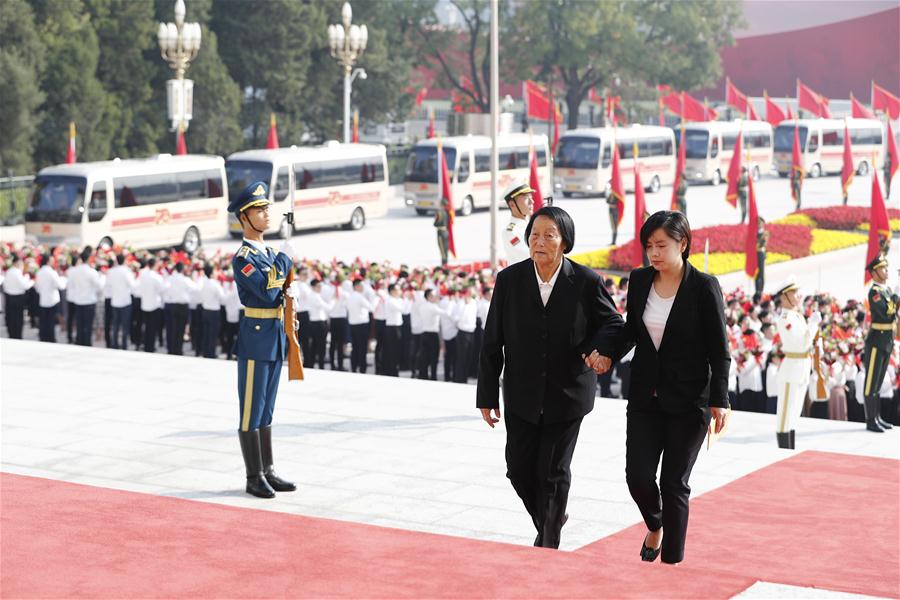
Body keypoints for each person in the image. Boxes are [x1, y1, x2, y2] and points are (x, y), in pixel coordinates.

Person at [477, 206, 624, 549]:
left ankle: (548, 543)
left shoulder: (585, 281)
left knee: (553, 474)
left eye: (549, 235)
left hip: (567, 394)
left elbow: (613, 323)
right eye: (534, 235)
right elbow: (492, 340)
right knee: (518, 469)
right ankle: (551, 518)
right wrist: (486, 395)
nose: (539, 242)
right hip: (521, 394)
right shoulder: (510, 280)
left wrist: (598, 350)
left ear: (565, 242)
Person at [611, 210, 730, 565]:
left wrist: (720, 401)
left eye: (662, 245)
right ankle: (656, 525)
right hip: (645, 396)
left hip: (690, 400)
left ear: (683, 243)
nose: (654, 253)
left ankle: (672, 563)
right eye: (649, 246)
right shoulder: (640, 279)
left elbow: (719, 349)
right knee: (638, 478)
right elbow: (632, 331)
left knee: (674, 483)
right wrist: (605, 355)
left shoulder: (703, 286)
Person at [230, 181, 297, 498]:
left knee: (267, 409)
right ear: (244, 218)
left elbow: (280, 291)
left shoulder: (269, 252)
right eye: (259, 209)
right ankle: (252, 476)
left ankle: (267, 470)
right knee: (250, 411)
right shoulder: (243, 258)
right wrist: (285, 261)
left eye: (267, 208)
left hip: (274, 338)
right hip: (255, 340)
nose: (266, 214)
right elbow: (268, 290)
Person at [772, 277, 820, 448]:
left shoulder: (797, 316)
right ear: (785, 297)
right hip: (792, 368)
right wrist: (813, 325)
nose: (799, 296)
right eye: (794, 293)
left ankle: (790, 449)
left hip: (802, 367)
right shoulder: (785, 319)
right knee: (785, 414)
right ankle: (783, 450)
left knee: (795, 412)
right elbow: (801, 344)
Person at [862, 254, 898, 433]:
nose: (886, 271)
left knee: (878, 381)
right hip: (876, 341)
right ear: (874, 272)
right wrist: (896, 297)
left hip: (886, 340)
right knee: (871, 381)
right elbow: (886, 312)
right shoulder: (874, 292)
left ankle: (877, 417)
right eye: (883, 268)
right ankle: (870, 420)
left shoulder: (886, 290)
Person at [67, 248, 103, 346]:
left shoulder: (74, 271)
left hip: (78, 301)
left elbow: (72, 285)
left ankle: (80, 342)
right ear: (89, 259)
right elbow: (99, 286)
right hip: (89, 301)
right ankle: (87, 344)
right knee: (88, 326)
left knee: (80, 325)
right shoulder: (91, 272)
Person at [104, 254, 135, 349]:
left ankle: (115, 344)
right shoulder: (127, 271)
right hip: (125, 301)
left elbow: (108, 285)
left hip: (115, 301)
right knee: (125, 326)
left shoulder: (111, 272)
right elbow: (132, 285)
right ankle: (124, 345)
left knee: (115, 325)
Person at [136, 257, 166, 352]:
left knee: (147, 327)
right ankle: (150, 346)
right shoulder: (156, 277)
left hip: (145, 304)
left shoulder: (143, 275)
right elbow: (162, 289)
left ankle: (146, 345)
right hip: (153, 305)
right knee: (152, 329)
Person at [35, 254, 67, 343]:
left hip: (43, 299)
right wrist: (64, 278)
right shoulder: (51, 272)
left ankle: (43, 337)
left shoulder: (40, 271)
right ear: (48, 261)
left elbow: (37, 287)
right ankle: (50, 338)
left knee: (43, 321)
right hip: (52, 300)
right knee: (50, 322)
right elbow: (60, 285)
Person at [502, 181, 535, 265]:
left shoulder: (531, 224)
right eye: (526, 197)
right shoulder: (510, 232)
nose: (532, 201)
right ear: (512, 204)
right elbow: (529, 256)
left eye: (531, 197)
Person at [346, 278, 374, 373]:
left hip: (353, 324)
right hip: (362, 325)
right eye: (361, 286)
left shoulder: (350, 297)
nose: (363, 288)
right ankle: (362, 368)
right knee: (362, 348)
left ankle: (354, 367)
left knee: (355, 347)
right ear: (356, 286)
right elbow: (371, 308)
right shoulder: (360, 297)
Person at [3, 256, 34, 339]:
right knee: (18, 319)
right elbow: (24, 285)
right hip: (17, 298)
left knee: (11, 318)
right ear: (16, 263)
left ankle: (12, 334)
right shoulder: (16, 272)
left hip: (9, 297)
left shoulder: (9, 271)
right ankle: (17, 336)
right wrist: (30, 279)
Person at [199, 263, 225, 359]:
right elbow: (223, 298)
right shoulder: (215, 284)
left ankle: (206, 352)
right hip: (214, 311)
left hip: (205, 310)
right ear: (211, 273)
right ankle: (211, 353)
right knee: (213, 334)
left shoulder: (203, 283)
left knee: (206, 333)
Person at [755, 217, 768, 297]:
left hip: (761, 253)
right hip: (755, 254)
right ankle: (757, 290)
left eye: (760, 223)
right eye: (758, 223)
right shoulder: (755, 233)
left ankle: (761, 290)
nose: (759, 225)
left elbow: (762, 243)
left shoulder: (764, 233)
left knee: (761, 273)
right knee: (756, 273)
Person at [434, 199, 450, 266]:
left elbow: (436, 223)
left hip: (440, 232)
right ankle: (446, 262)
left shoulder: (439, 212)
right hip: (446, 231)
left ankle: (444, 264)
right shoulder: (447, 212)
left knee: (442, 250)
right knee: (446, 248)